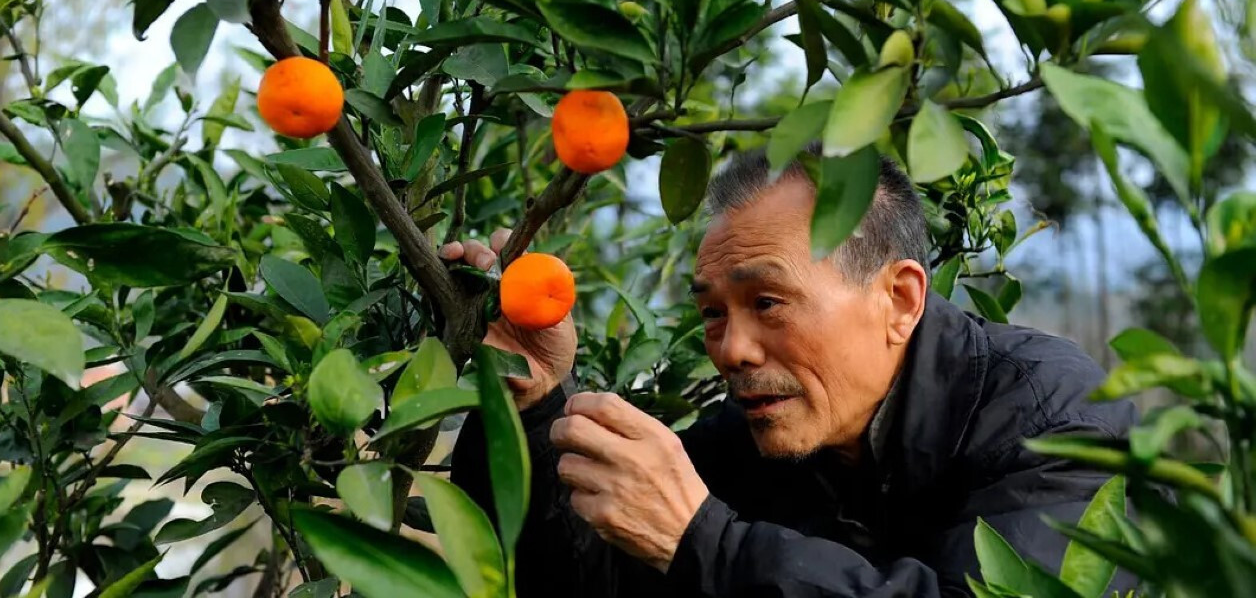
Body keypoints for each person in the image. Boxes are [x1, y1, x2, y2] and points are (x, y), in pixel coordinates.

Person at [440, 146, 1136, 597]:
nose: (732, 350)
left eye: (768, 301)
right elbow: (587, 588)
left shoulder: (1052, 416)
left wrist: (705, 543)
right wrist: (530, 407)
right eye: (713, 314)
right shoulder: (748, 442)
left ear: (899, 299)